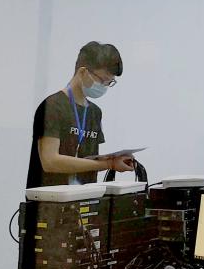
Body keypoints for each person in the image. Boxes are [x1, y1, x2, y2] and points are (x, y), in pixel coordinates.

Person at [26, 41, 134, 189]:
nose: (104, 86)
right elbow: (50, 161)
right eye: (102, 80)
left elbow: (87, 161)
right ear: (83, 72)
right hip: (50, 199)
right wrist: (108, 164)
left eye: (109, 83)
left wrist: (115, 160)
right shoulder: (52, 106)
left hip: (84, 197)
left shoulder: (95, 112)